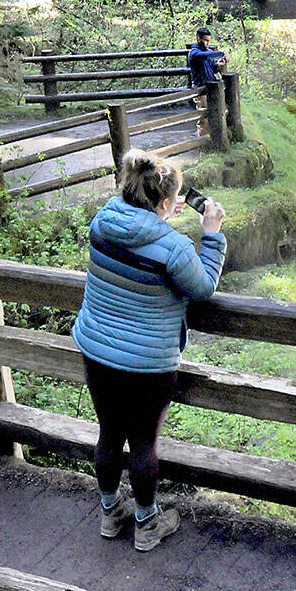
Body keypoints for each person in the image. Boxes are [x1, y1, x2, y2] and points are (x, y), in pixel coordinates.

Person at [71, 150, 227, 552]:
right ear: (162, 202)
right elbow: (203, 287)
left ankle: (110, 514)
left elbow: (135, 232)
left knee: (109, 433)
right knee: (143, 443)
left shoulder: (103, 220)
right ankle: (147, 523)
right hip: (146, 364)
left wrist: (158, 212)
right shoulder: (173, 248)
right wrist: (211, 233)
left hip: (98, 350)